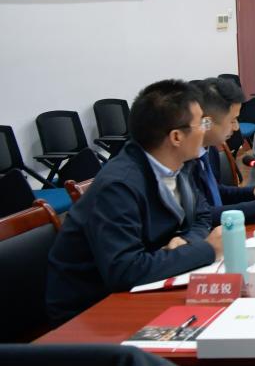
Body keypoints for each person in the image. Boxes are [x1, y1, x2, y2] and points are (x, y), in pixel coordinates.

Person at [46, 80, 224, 325]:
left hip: (147, 284)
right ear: (176, 137)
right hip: (92, 311)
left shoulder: (180, 164)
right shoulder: (119, 186)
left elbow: (202, 215)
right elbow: (125, 271)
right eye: (202, 123)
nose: (206, 129)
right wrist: (206, 249)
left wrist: (188, 241)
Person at [186, 77, 255, 225]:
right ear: (207, 122)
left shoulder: (209, 149)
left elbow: (215, 191)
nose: (236, 128)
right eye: (232, 120)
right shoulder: (184, 159)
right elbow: (203, 214)